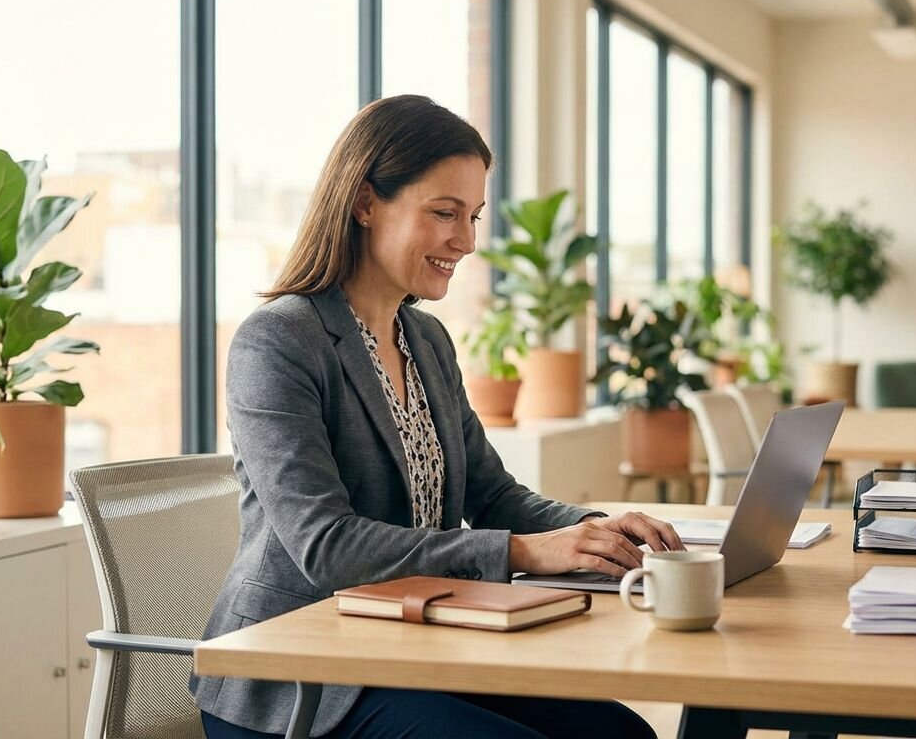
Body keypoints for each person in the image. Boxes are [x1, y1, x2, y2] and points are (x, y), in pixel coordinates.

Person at [191, 95, 679, 739]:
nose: (467, 241)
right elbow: (326, 545)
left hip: (414, 652)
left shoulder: (425, 341)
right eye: (444, 213)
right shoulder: (279, 341)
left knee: (622, 734)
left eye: (472, 216)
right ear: (365, 203)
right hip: (304, 683)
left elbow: (492, 493)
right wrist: (524, 550)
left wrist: (597, 532)